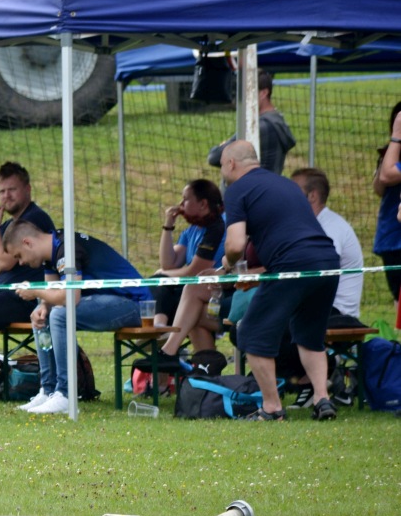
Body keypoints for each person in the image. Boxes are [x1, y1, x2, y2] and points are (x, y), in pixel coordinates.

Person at [218, 140, 341, 421]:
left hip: (291, 264)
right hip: (327, 261)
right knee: (309, 334)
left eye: (222, 165)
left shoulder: (237, 189)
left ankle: (272, 408)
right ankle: (322, 399)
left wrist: (226, 263)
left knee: (250, 332)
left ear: (231, 164)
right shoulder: (286, 184)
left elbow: (236, 244)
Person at [3, 221, 145, 415]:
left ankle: (66, 393)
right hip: (110, 301)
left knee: (60, 314)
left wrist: (36, 291)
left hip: (133, 304)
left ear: (27, 243)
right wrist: (42, 305)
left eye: (19, 256)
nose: (20, 263)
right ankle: (48, 390)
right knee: (43, 314)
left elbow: (70, 297)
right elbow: (52, 291)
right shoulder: (51, 251)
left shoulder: (66, 248)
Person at [0, 162, 57, 377]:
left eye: (12, 189)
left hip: (24, 298)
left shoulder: (33, 219)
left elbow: (4, 262)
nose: (6, 196)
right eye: (1, 191)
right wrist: (0, 252)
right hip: (1, 294)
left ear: (27, 189)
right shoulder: (8, 225)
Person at [148, 179, 228, 368]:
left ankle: (164, 337)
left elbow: (195, 271)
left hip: (217, 292)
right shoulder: (192, 230)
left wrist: (163, 276)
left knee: (161, 282)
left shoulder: (218, 227)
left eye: (185, 199)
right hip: (194, 294)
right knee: (160, 282)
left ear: (203, 204)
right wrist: (168, 226)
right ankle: (161, 332)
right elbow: (168, 263)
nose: (181, 204)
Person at [291, 167, 364, 322]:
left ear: (312, 196)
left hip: (337, 312)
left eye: (294, 190)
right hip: (318, 306)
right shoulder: (312, 224)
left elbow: (319, 271)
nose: (288, 195)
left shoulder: (331, 227)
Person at [208, 68, 296, 176]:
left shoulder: (259, 127)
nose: (241, 99)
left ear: (263, 93)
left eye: (247, 92)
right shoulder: (275, 121)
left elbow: (214, 157)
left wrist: (222, 146)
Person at [372, 101, 401, 309]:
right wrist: (392, 148)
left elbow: (387, 176)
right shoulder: (392, 155)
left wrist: (396, 137)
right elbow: (379, 187)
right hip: (391, 238)